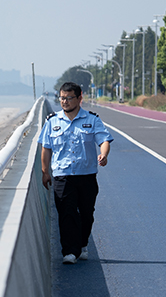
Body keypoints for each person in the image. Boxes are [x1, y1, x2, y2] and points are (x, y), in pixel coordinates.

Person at [40, 82, 113, 264]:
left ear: (79, 98)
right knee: (66, 213)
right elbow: (46, 148)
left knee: (86, 214)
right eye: (62, 98)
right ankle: (69, 252)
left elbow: (104, 140)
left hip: (87, 175)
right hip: (62, 175)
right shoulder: (52, 122)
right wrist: (45, 172)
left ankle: (82, 244)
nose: (64, 101)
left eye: (69, 98)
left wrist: (103, 155)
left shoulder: (92, 120)